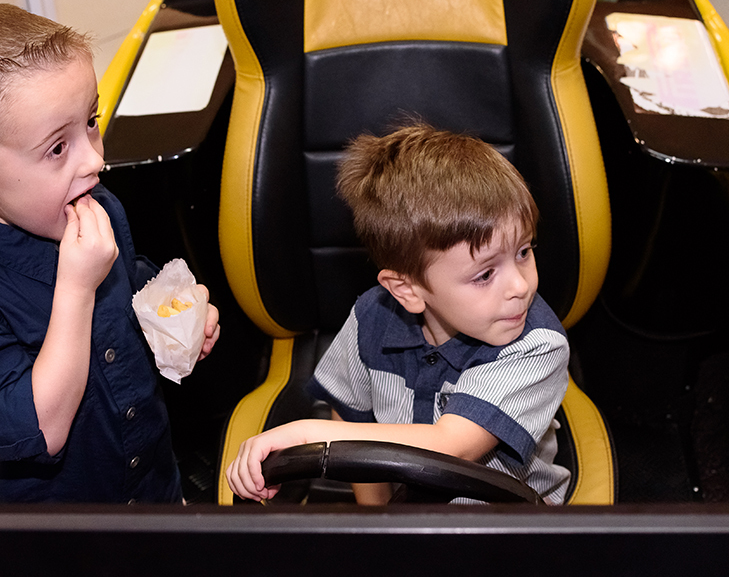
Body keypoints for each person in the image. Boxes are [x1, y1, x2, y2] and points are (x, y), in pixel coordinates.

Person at [0, 0, 220, 503]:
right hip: (67, 530)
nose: (95, 160)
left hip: (152, 479)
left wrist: (175, 314)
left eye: (90, 121)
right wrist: (76, 287)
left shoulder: (95, 206)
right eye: (57, 147)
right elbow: (38, 429)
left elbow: (129, 278)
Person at [225, 123, 571, 505]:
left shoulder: (537, 344)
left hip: (510, 518)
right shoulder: (372, 318)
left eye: (523, 252)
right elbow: (351, 415)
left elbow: (451, 447)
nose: (520, 286)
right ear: (407, 290)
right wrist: (378, 516)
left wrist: (308, 434)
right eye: (486, 274)